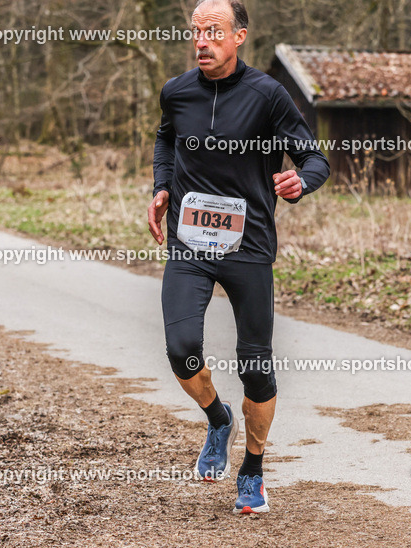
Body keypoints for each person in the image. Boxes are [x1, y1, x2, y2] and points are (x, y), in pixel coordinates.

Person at [148, 0, 329, 514]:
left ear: (239, 36)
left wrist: (302, 181)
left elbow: (314, 157)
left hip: (247, 245)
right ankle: (217, 418)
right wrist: (163, 186)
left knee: (256, 367)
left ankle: (252, 468)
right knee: (181, 348)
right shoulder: (177, 93)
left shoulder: (268, 96)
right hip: (189, 242)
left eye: (213, 31)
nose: (201, 41)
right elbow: (166, 138)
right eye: (196, 31)